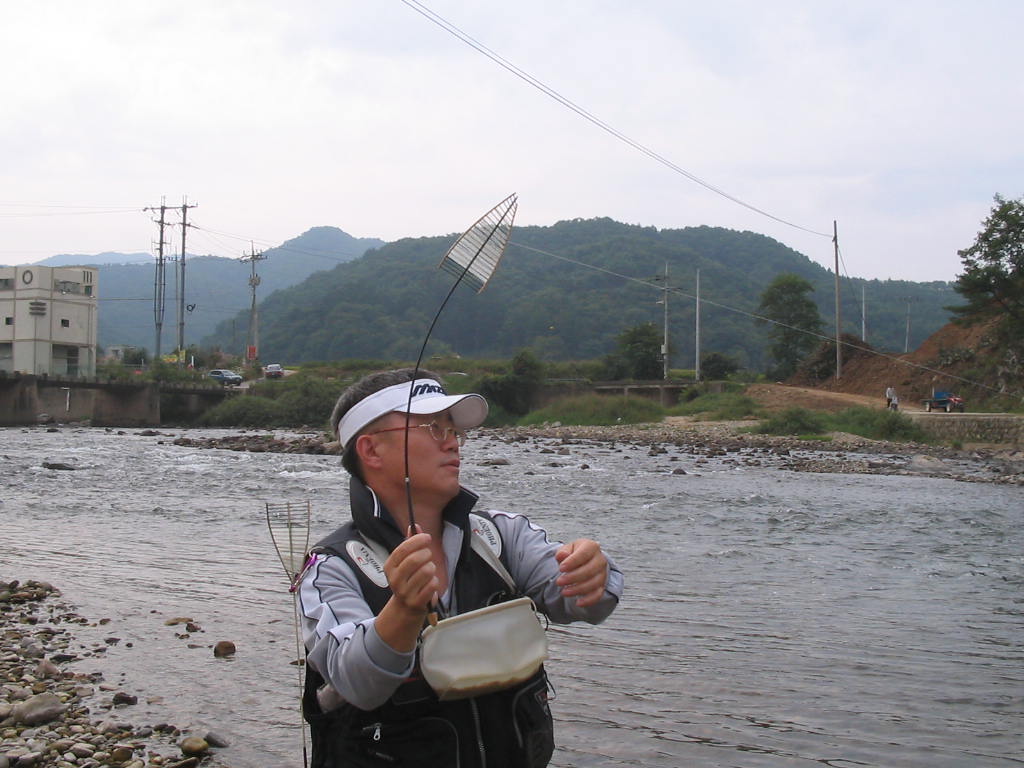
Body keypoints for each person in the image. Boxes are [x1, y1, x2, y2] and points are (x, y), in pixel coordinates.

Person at [298, 368, 623, 768]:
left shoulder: (501, 535)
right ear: (371, 451)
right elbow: (356, 682)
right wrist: (403, 610)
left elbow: (590, 604)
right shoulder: (330, 566)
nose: (453, 443)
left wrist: (595, 573)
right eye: (433, 428)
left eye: (454, 430)